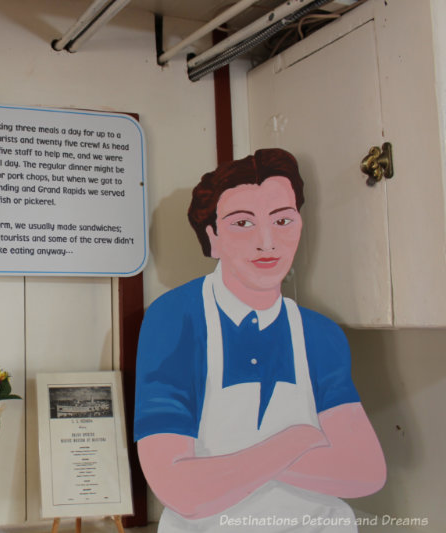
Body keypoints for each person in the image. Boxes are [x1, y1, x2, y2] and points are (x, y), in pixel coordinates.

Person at [134, 149, 386, 532]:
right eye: (243, 223)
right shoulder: (175, 319)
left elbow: (366, 472)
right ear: (212, 237)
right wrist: (298, 440)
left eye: (282, 219)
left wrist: (229, 469)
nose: (268, 242)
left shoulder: (320, 333)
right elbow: (180, 489)